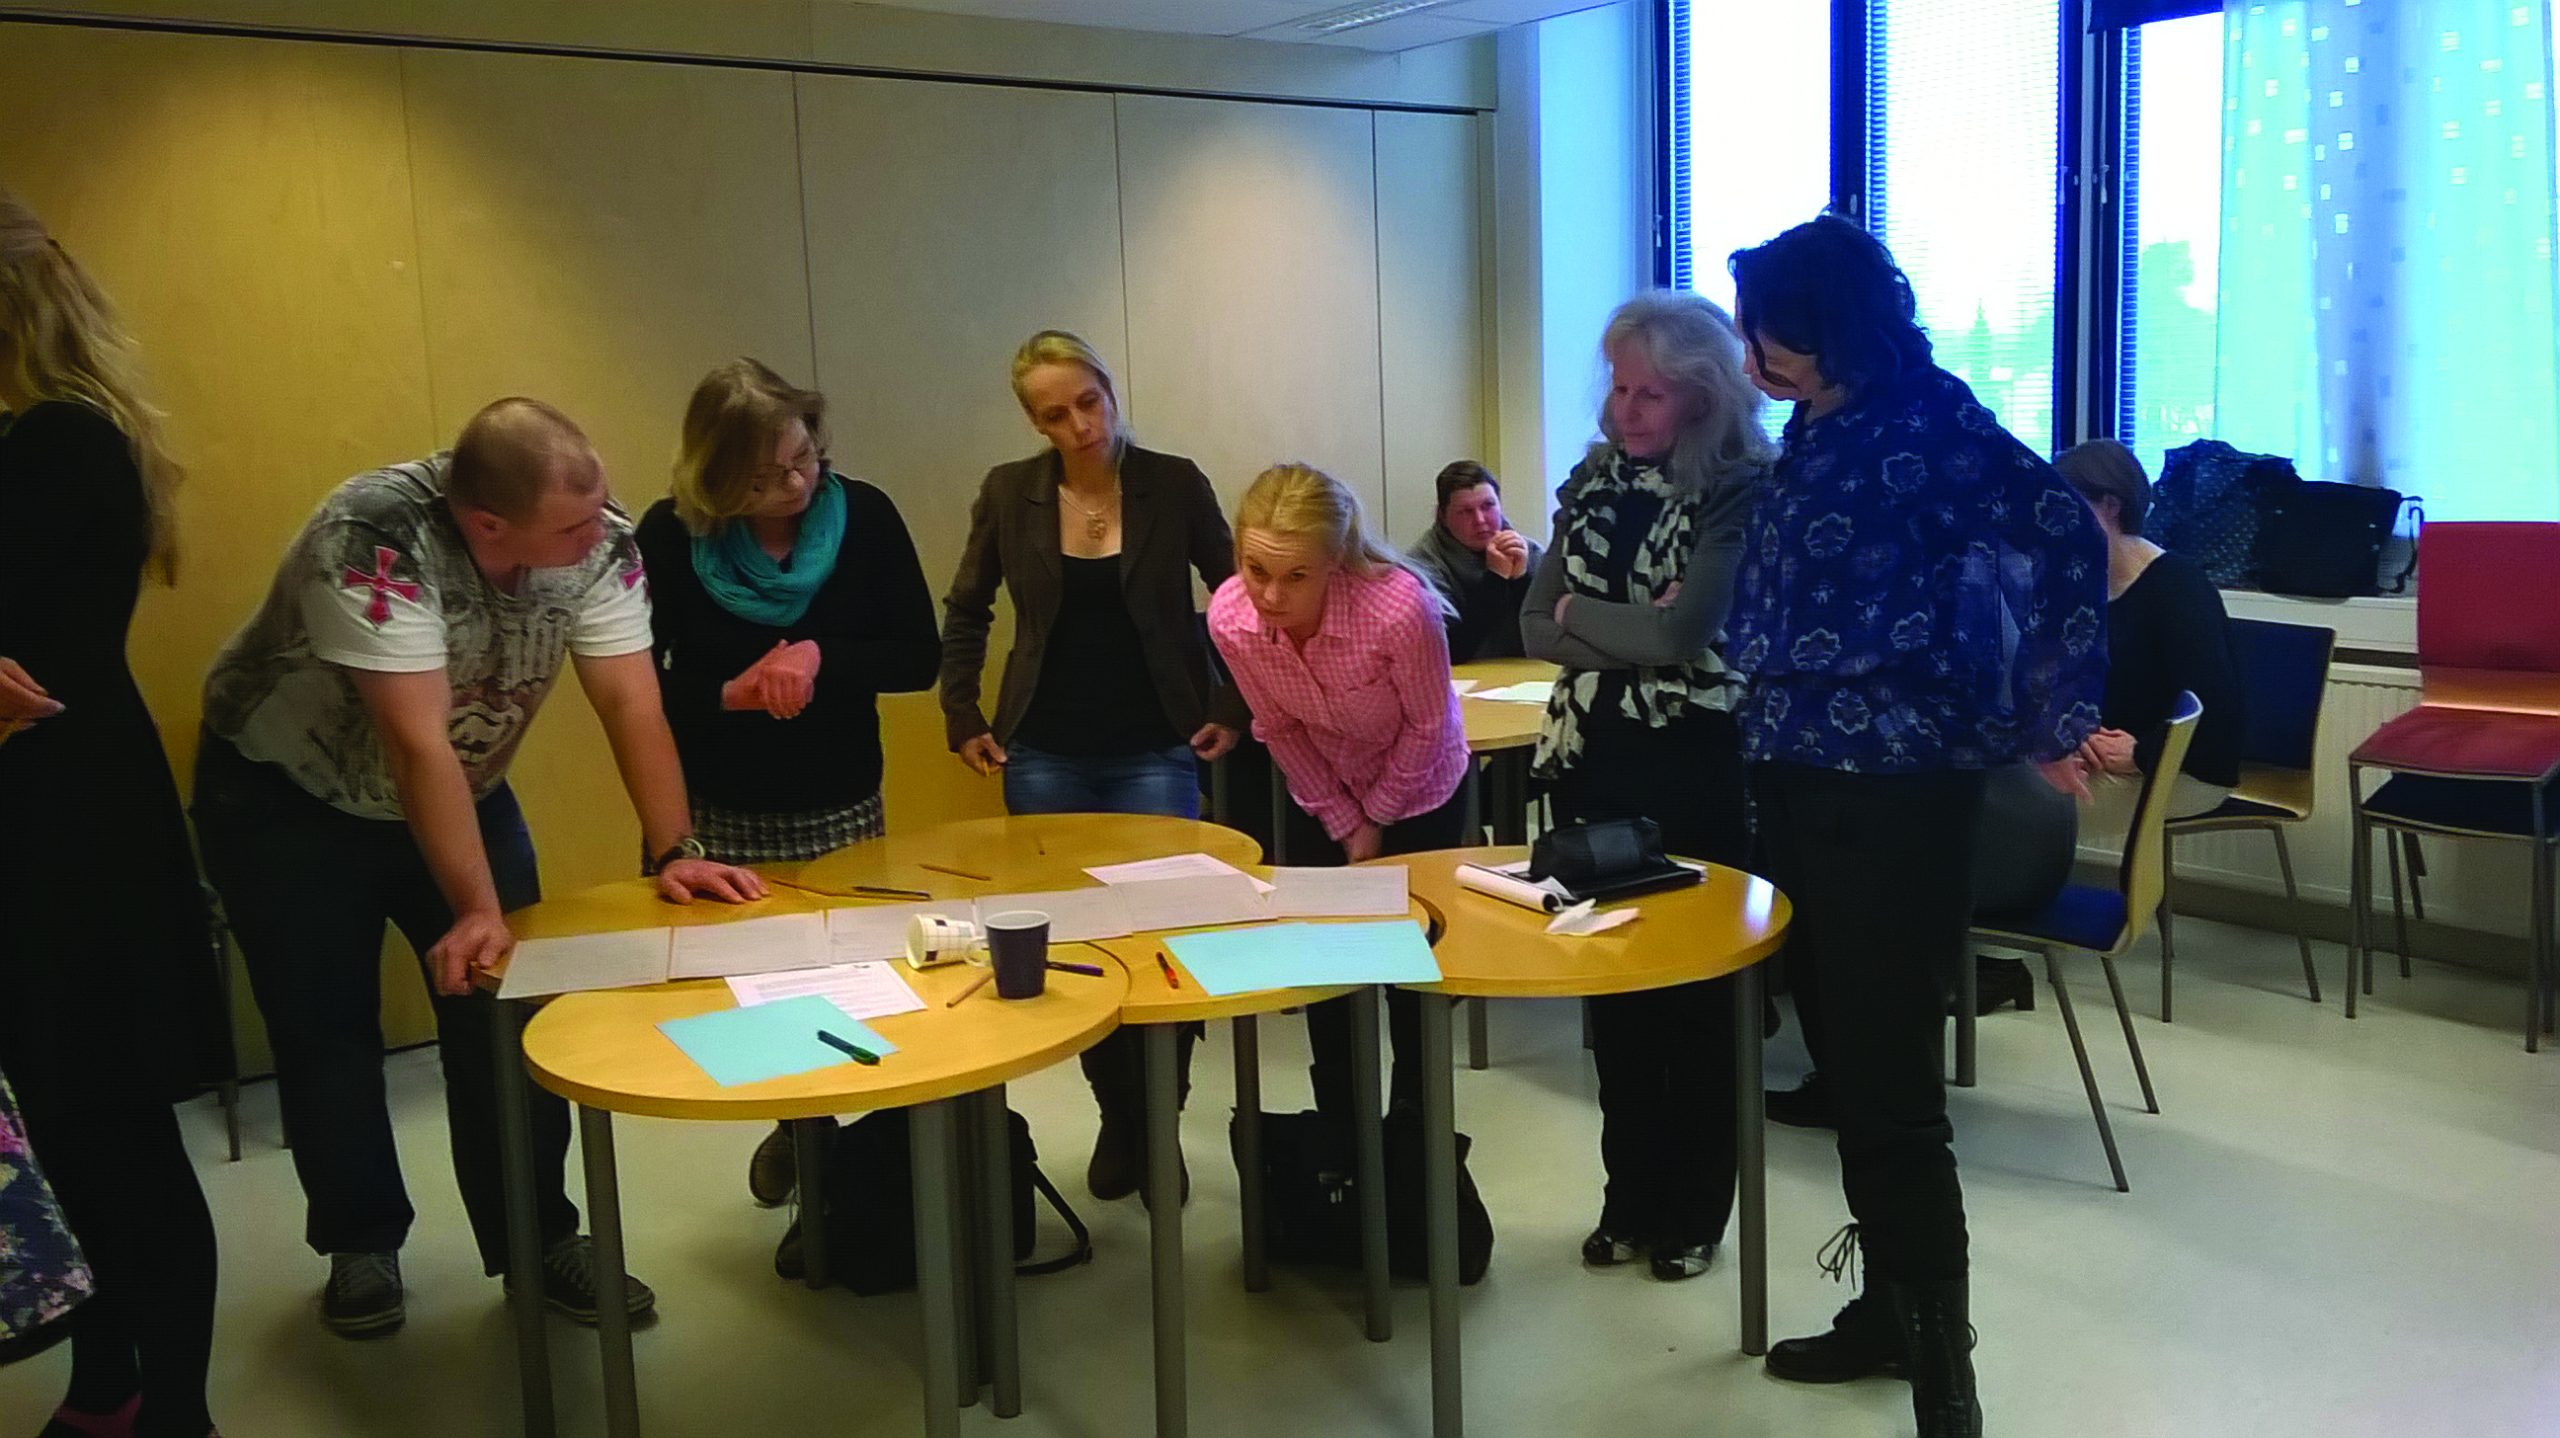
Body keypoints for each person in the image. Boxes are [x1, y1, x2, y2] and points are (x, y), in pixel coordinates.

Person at [193, 396, 767, 1340]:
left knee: (506, 1014)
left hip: (463, 779)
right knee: (325, 1026)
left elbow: (632, 701)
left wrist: (677, 850)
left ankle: (539, 1242)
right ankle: (361, 1244)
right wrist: (473, 906)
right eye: (572, 525)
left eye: (599, 511)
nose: (601, 536)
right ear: (488, 524)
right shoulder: (373, 537)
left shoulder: (602, 540)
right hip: (286, 799)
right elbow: (413, 741)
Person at [1726, 214, 2106, 1438]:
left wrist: (2051, 711)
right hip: (1792, 771)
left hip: (1892, 790)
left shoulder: (1933, 418)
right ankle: (1889, 1307)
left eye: (1767, 334)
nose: (1751, 359)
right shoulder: (1818, 421)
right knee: (1842, 1060)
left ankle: (1945, 1362)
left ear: (1832, 324)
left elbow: (2061, 535)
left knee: (1890, 1082)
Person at [0, 188, 225, 1438]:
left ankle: (171, 1409)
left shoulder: (56, 444)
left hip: (66, 832)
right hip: (67, 816)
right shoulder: (55, 432)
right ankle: (112, 1385)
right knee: (77, 1132)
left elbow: (36, 667)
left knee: (110, 1133)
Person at [939, 330, 1245, 1201]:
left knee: (1159, 944)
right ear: (1033, 422)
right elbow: (967, 608)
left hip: (1158, 743)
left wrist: (1233, 705)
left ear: (1110, 393)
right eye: (1054, 414)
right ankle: (1120, 1116)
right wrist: (962, 713)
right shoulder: (1011, 494)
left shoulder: (1173, 482)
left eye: (1089, 403)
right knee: (1076, 947)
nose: (1078, 425)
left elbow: (1235, 601)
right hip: (1044, 750)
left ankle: (1162, 1123)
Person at [638, 359, 939, 1208]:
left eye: (804, 459)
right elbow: (633, 687)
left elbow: (919, 655)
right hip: (723, 805)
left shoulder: (866, 517)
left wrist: (821, 655)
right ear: (718, 476)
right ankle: (799, 1129)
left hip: (842, 797)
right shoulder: (670, 536)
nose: (796, 483)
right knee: (758, 995)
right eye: (766, 477)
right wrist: (729, 692)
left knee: (857, 982)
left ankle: (850, 1156)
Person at [1518, 291, 1768, 1282]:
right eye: (1618, 388)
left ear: (1702, 398)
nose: (1625, 410)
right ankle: (1628, 1200)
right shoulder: (1591, 478)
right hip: (1595, 760)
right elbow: (1535, 625)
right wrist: (1614, 616)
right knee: (1615, 993)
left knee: (1696, 1002)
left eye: (1649, 393)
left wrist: (1595, 615)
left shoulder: (1740, 489)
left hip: (1698, 763)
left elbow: (1684, 635)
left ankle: (1694, 1212)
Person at [1209, 463, 1468, 1120]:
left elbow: (1428, 724)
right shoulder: (1229, 618)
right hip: (1322, 793)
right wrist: (1344, 820)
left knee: (1412, 978)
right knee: (1331, 974)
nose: (1269, 595)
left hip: (1421, 792)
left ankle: (1417, 1133)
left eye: (1296, 575)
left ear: (1335, 562)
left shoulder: (1398, 608)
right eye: (1255, 569)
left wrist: (1376, 818)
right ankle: (1344, 1141)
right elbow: (1278, 726)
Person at [2056, 438, 2244, 835]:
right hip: (2111, 757)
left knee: (2011, 809)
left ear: (2109, 507)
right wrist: (2071, 733)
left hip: (2182, 769)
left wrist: (2142, 754)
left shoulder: (2178, 588)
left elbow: (2217, 721)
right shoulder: (2080, 585)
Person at [1408, 460, 1542, 662]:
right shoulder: (1421, 566)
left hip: (1529, 676)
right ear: (1442, 517)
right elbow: (1449, 650)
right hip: (1462, 679)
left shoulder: (1529, 551)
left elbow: (1548, 636)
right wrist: (1496, 579)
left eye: (1488, 506)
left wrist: (1521, 580)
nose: (1480, 520)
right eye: (1465, 511)